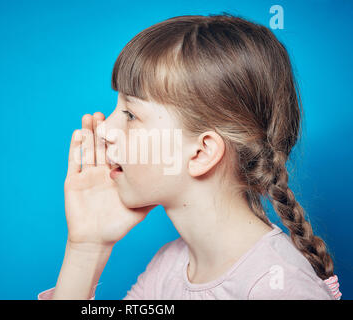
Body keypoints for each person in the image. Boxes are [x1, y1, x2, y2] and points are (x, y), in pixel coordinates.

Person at [38, 13, 341, 300]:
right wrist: (87, 246)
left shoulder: (279, 286)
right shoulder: (169, 266)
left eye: (130, 114)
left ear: (201, 152)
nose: (103, 128)